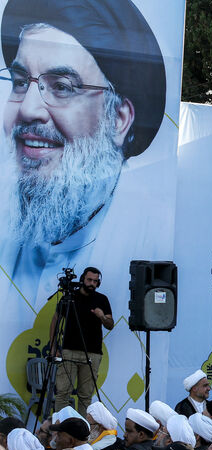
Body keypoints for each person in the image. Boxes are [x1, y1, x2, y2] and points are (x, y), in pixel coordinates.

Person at [0, 0, 167, 312]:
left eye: (62, 87)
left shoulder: (149, 238)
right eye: (21, 82)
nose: (28, 108)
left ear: (118, 118)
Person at [50, 267, 113, 415]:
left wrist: (102, 316)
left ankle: (82, 431)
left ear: (98, 283)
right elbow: (55, 320)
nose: (92, 283)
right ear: (82, 279)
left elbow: (110, 324)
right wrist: (53, 347)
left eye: (95, 281)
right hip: (69, 351)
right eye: (89, 280)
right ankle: (62, 428)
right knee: (63, 393)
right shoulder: (70, 297)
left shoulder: (102, 299)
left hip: (92, 353)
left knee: (85, 396)